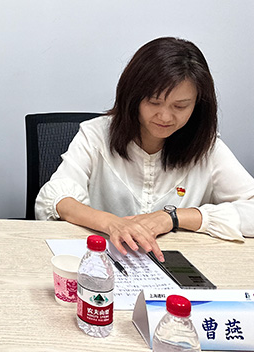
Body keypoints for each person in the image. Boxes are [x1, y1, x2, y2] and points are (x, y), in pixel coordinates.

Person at [35, 37, 254, 260]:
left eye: (180, 106)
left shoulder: (207, 148)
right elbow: (58, 200)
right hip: (102, 262)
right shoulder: (96, 135)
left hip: (176, 264)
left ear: (197, 104)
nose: (165, 116)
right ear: (133, 97)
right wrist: (112, 223)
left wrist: (172, 218)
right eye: (154, 102)